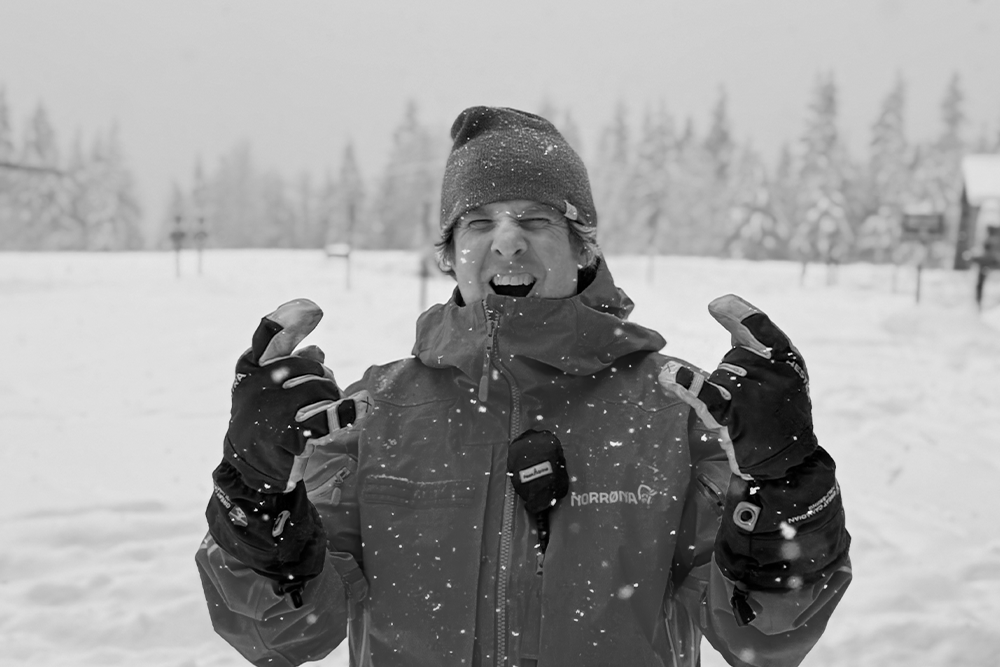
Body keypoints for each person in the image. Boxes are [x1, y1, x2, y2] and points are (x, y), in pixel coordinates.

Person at [196, 106, 852, 667]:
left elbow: (761, 635)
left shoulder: (675, 409)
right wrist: (257, 492)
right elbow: (282, 634)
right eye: (479, 222)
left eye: (536, 220)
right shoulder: (373, 412)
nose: (507, 243)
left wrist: (784, 485)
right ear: (448, 253)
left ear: (583, 248)